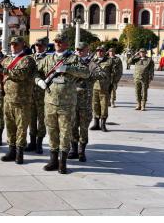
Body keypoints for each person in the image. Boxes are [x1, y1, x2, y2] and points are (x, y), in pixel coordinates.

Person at [35, 33, 89, 174]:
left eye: (61, 41)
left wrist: (67, 68)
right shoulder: (48, 58)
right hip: (50, 101)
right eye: (56, 41)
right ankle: (53, 160)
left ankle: (62, 162)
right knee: (52, 130)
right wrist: (38, 81)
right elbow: (35, 71)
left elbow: (86, 73)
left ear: (66, 43)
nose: (58, 43)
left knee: (65, 132)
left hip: (67, 103)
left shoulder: (73, 58)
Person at [0, 36, 36, 164]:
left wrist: (4, 70)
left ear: (22, 45)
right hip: (8, 98)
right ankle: (11, 150)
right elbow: (0, 77)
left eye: (16, 44)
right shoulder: (7, 60)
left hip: (22, 100)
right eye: (12, 44)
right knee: (10, 126)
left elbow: (22, 74)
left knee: (21, 127)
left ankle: (20, 153)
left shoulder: (27, 60)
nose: (13, 47)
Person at [68, 42, 105, 162]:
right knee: (73, 126)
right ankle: (73, 150)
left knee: (83, 127)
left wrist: (87, 75)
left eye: (81, 49)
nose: (79, 51)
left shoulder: (91, 63)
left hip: (85, 101)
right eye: (77, 49)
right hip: (72, 99)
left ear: (87, 50)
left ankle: (81, 151)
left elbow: (102, 74)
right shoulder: (71, 61)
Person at [25, 37, 48, 154]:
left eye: (40, 46)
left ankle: (39, 143)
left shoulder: (48, 59)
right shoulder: (29, 58)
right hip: (30, 93)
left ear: (45, 47)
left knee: (42, 120)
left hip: (42, 95)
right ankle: (32, 142)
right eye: (36, 45)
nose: (38, 47)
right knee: (31, 119)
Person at [90, 45, 114, 132]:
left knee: (104, 106)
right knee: (94, 105)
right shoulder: (92, 61)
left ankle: (103, 124)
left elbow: (115, 73)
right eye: (98, 51)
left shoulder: (109, 61)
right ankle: (96, 123)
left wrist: (113, 84)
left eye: (101, 51)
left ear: (104, 52)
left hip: (105, 87)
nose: (99, 52)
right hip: (94, 86)